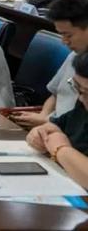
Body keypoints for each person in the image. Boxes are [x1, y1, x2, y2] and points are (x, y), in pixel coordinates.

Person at [11, 0, 88, 128]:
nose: (64, 42)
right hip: (53, 125)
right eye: (61, 35)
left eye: (68, 35)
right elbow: (56, 94)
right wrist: (44, 115)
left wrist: (48, 122)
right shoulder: (74, 55)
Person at [27, 53, 88, 188]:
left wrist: (60, 149)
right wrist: (40, 133)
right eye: (78, 88)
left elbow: (59, 143)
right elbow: (55, 128)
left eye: (86, 92)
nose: (80, 98)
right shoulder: (82, 106)